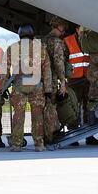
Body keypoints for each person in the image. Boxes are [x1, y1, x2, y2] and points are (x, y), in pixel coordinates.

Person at [1, 24, 52, 152]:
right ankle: (39, 144)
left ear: (19, 34)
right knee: (37, 115)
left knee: (18, 115)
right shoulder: (40, 48)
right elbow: (47, 70)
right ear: (31, 34)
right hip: (37, 85)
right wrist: (48, 90)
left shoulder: (12, 48)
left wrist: (3, 87)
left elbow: (4, 70)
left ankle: (17, 144)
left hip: (19, 85)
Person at [62, 25, 98, 145]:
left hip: (88, 78)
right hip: (74, 80)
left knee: (89, 107)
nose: (85, 30)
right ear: (76, 29)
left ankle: (90, 136)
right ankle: (72, 137)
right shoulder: (68, 41)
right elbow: (62, 60)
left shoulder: (90, 40)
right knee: (73, 107)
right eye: (82, 28)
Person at [40, 16, 68, 145]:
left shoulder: (41, 40)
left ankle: (42, 135)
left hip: (38, 79)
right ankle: (51, 135)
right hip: (50, 79)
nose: (63, 33)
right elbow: (59, 63)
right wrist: (63, 81)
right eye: (62, 29)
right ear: (57, 28)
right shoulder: (57, 42)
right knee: (51, 105)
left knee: (42, 107)